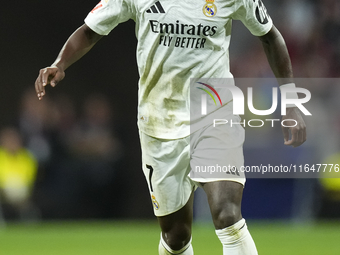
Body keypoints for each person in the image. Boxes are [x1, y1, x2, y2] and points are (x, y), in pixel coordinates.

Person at [34, 0, 306, 254]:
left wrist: (291, 102)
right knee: (176, 235)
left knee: (227, 214)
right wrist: (60, 63)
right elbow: (91, 30)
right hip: (158, 124)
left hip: (214, 114)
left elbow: (270, 36)